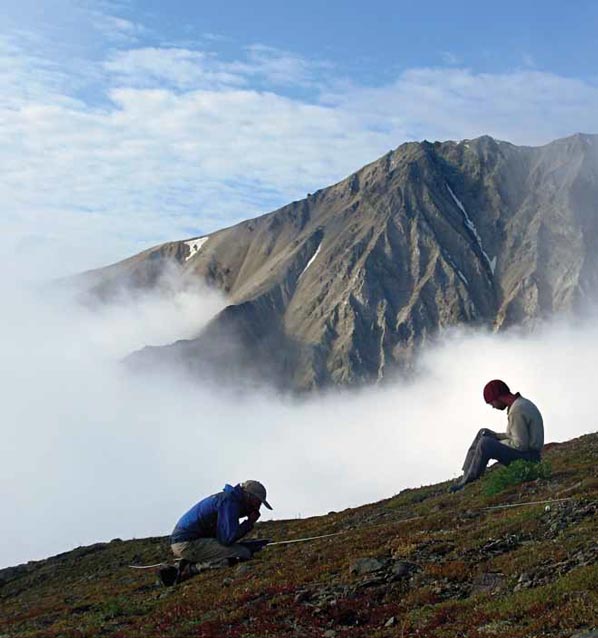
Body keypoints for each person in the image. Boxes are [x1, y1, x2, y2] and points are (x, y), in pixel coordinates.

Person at [159, 480, 272, 585]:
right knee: (242, 553)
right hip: (187, 543)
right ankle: (191, 569)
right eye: (257, 502)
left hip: (186, 540)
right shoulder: (229, 502)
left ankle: (184, 564)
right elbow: (227, 539)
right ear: (248, 496)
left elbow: (222, 536)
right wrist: (249, 522)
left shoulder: (229, 499)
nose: (257, 507)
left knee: (239, 548)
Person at [449, 380, 544, 492]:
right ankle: (466, 475)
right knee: (483, 433)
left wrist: (496, 443)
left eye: (492, 403)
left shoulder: (516, 411)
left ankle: (469, 482)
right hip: (530, 454)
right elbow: (517, 436)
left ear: (498, 397)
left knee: (485, 444)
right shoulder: (520, 404)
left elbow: (521, 445)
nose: (493, 406)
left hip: (530, 458)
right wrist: (496, 436)